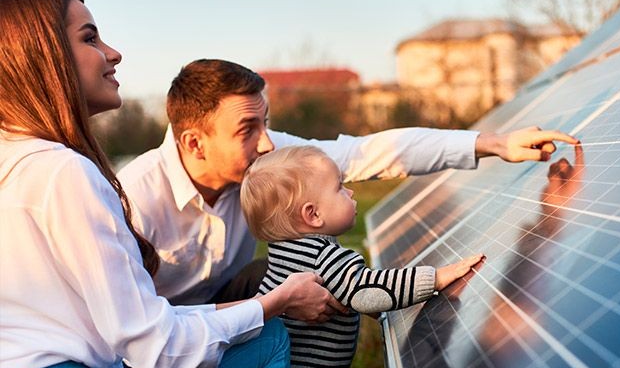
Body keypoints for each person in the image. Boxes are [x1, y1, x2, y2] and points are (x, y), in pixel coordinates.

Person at [0, 0, 346, 368]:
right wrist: (274, 304)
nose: (113, 53)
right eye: (89, 38)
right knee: (265, 337)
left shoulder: (16, 161)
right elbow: (156, 348)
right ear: (42, 57)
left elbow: (135, 327)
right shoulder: (64, 172)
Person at [117, 58, 580, 307]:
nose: (266, 145)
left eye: (266, 123)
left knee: (302, 273)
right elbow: (128, 326)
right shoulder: (133, 200)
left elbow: (365, 152)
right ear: (195, 144)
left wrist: (492, 143)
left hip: (227, 305)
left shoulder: (266, 157)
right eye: (247, 131)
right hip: (159, 337)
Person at [239, 145, 486, 368]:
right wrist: (435, 278)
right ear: (313, 214)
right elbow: (367, 289)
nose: (352, 193)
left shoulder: (283, 253)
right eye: (340, 188)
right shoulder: (324, 257)